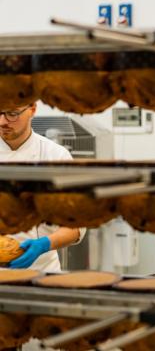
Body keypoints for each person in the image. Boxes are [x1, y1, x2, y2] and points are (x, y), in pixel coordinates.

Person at [0, 102, 85, 272]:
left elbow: (76, 226)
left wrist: (44, 244)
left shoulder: (56, 156)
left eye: (12, 113)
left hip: (41, 271)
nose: (2, 121)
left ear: (32, 109)